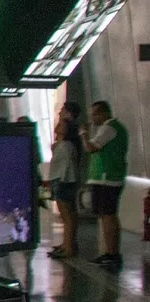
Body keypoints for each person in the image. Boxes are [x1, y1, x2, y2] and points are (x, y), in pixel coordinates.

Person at [82, 100, 129, 270]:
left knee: (108, 216)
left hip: (107, 179)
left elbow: (91, 148)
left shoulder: (109, 128)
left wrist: (84, 135)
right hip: (109, 178)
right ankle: (109, 252)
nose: (92, 118)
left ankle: (112, 254)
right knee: (106, 216)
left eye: (94, 114)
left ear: (104, 113)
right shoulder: (115, 128)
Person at [48, 103, 84, 258]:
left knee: (66, 214)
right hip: (67, 178)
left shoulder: (66, 144)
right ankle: (69, 243)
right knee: (70, 213)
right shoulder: (71, 143)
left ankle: (68, 247)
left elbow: (58, 132)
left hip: (62, 179)